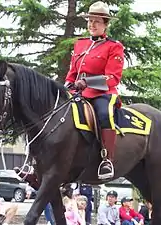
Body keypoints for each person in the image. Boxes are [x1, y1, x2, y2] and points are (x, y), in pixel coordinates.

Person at [64, 1, 124, 180]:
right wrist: (67, 84)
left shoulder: (114, 47)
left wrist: (87, 82)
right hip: (78, 93)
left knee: (105, 115)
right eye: (90, 20)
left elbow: (113, 77)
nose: (92, 24)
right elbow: (72, 72)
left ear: (105, 24)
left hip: (102, 93)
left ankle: (107, 160)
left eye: (97, 21)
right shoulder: (80, 44)